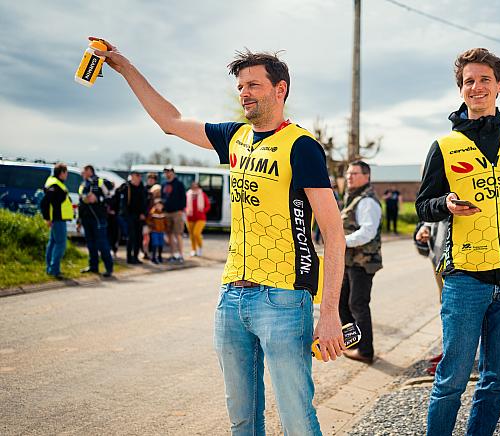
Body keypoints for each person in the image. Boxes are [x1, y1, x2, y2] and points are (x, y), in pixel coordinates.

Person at [95, 37, 346, 435]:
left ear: (280, 90)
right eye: (241, 87)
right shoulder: (235, 137)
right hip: (231, 297)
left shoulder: (301, 147)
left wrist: (330, 312)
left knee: (297, 419)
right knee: (242, 419)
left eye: (253, 85)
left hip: (283, 298)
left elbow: (334, 234)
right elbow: (170, 123)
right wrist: (125, 68)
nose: (244, 93)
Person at [415, 48, 500, 436]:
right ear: (461, 90)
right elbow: (422, 206)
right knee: (452, 380)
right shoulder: (444, 146)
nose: (476, 87)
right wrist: (445, 203)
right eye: (468, 81)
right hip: (465, 280)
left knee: (496, 381)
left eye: (484, 80)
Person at [339, 160, 383, 364]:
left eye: (354, 173)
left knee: (358, 304)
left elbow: (367, 232)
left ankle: (365, 351)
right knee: (343, 303)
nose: (350, 177)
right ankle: (353, 343)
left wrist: (342, 242)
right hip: (350, 261)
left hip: (363, 263)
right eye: (348, 173)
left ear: (367, 176)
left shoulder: (367, 201)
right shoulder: (353, 198)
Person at [414, 221, 447, 376]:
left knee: (455, 308)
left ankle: (452, 358)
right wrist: (425, 226)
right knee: (446, 305)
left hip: (455, 254)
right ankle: (448, 351)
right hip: (438, 252)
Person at [78, 164, 113, 278]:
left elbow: (110, 197)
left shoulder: (100, 182)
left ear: (89, 170)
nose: (81, 173)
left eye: (83, 170)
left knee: (102, 243)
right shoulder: (83, 184)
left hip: (98, 219)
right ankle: (93, 266)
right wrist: (79, 220)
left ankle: (109, 268)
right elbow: (81, 203)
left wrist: (97, 199)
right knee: (90, 244)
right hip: (86, 219)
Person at [40, 163, 73, 278]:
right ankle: (54, 270)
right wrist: (47, 218)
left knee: (53, 243)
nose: (67, 175)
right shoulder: (55, 185)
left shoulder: (55, 183)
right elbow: (44, 203)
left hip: (57, 219)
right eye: (66, 172)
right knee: (60, 244)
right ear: (62, 173)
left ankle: (50, 269)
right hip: (57, 219)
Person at [121, 171, 147, 264]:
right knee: (131, 237)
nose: (139, 177)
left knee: (138, 237)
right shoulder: (126, 187)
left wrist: (144, 213)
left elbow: (145, 202)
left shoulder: (142, 188)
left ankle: (135, 257)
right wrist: (127, 216)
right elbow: (123, 204)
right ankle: (129, 257)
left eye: (140, 175)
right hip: (130, 216)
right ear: (132, 176)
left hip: (139, 216)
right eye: (137, 175)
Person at [161, 166, 186, 263]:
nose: (167, 173)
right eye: (165, 172)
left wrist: (181, 209)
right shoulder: (164, 184)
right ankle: (173, 255)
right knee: (169, 234)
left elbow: (183, 198)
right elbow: (163, 197)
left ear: (173, 172)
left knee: (178, 234)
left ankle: (180, 255)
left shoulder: (179, 184)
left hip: (177, 212)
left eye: (169, 171)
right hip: (167, 212)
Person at [185, 181, 210, 257]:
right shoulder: (188, 194)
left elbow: (208, 206)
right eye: (193, 186)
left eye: (196, 186)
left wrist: (203, 211)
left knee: (196, 233)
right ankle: (193, 250)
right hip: (190, 217)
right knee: (191, 235)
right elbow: (184, 205)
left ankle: (200, 247)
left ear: (199, 187)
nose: (195, 188)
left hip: (200, 218)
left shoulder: (203, 195)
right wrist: (186, 210)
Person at [142, 172, 159, 259]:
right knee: (145, 235)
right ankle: (145, 252)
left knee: (154, 236)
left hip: (155, 217)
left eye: (153, 179)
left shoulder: (157, 190)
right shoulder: (143, 189)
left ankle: (153, 253)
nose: (151, 180)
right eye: (149, 179)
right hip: (146, 216)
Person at [146, 198, 166, 264]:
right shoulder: (152, 213)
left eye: (160, 205)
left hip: (161, 231)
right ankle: (153, 257)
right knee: (155, 244)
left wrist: (165, 228)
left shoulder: (163, 213)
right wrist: (152, 226)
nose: (159, 207)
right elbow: (148, 220)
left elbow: (165, 222)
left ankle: (159, 256)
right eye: (157, 205)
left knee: (161, 244)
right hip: (155, 231)